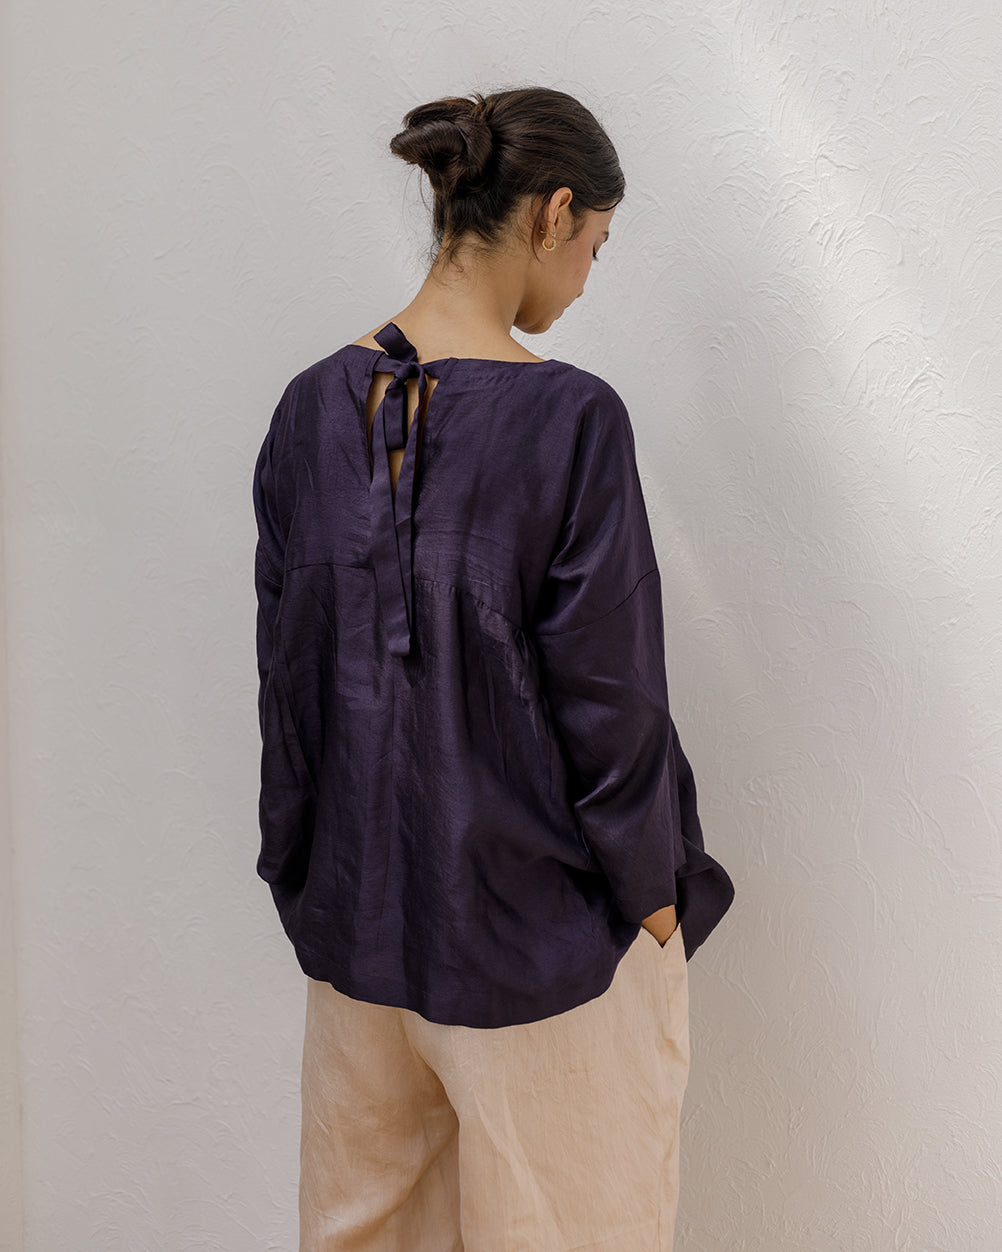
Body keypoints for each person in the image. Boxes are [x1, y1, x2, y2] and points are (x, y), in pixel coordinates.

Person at [253, 85, 734, 1252]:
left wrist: (304, 873)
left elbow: (287, 682)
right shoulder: (570, 420)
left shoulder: (309, 412)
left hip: (359, 939)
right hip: (545, 943)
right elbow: (611, 697)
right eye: (596, 245)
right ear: (552, 212)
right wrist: (657, 904)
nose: (586, 279)